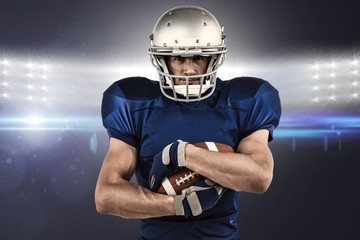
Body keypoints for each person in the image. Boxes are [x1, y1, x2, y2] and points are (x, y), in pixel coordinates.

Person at [95, 5, 281, 239]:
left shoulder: (244, 99)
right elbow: (106, 196)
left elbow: (259, 176)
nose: (189, 69)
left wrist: (184, 154)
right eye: (178, 58)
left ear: (215, 58)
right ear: (162, 59)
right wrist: (179, 205)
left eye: (199, 57)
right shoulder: (133, 102)